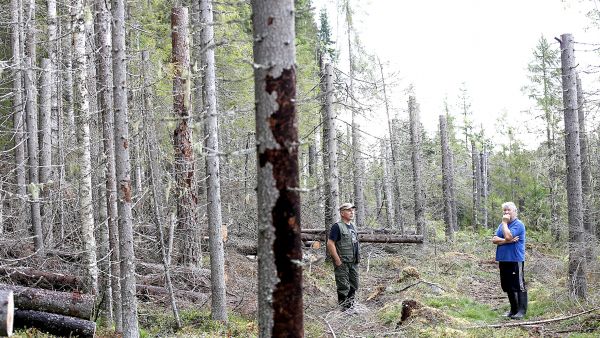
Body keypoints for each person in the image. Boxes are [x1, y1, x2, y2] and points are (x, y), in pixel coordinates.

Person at [491, 201, 527, 319]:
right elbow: (494, 240)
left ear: (514, 211)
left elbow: (507, 235)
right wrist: (508, 241)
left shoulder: (518, 224)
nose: (506, 212)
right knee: (507, 285)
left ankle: (521, 311)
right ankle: (513, 310)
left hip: (515, 259)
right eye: (504, 210)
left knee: (518, 285)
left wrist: (505, 224)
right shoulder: (502, 225)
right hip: (503, 259)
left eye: (508, 210)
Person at [327, 202, 360, 310]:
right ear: (342, 213)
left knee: (354, 283)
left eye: (353, 210)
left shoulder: (353, 226)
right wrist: (337, 260)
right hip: (342, 262)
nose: (352, 212)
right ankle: (344, 308)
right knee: (343, 285)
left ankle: (351, 305)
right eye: (349, 210)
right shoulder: (337, 226)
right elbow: (330, 243)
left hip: (353, 261)